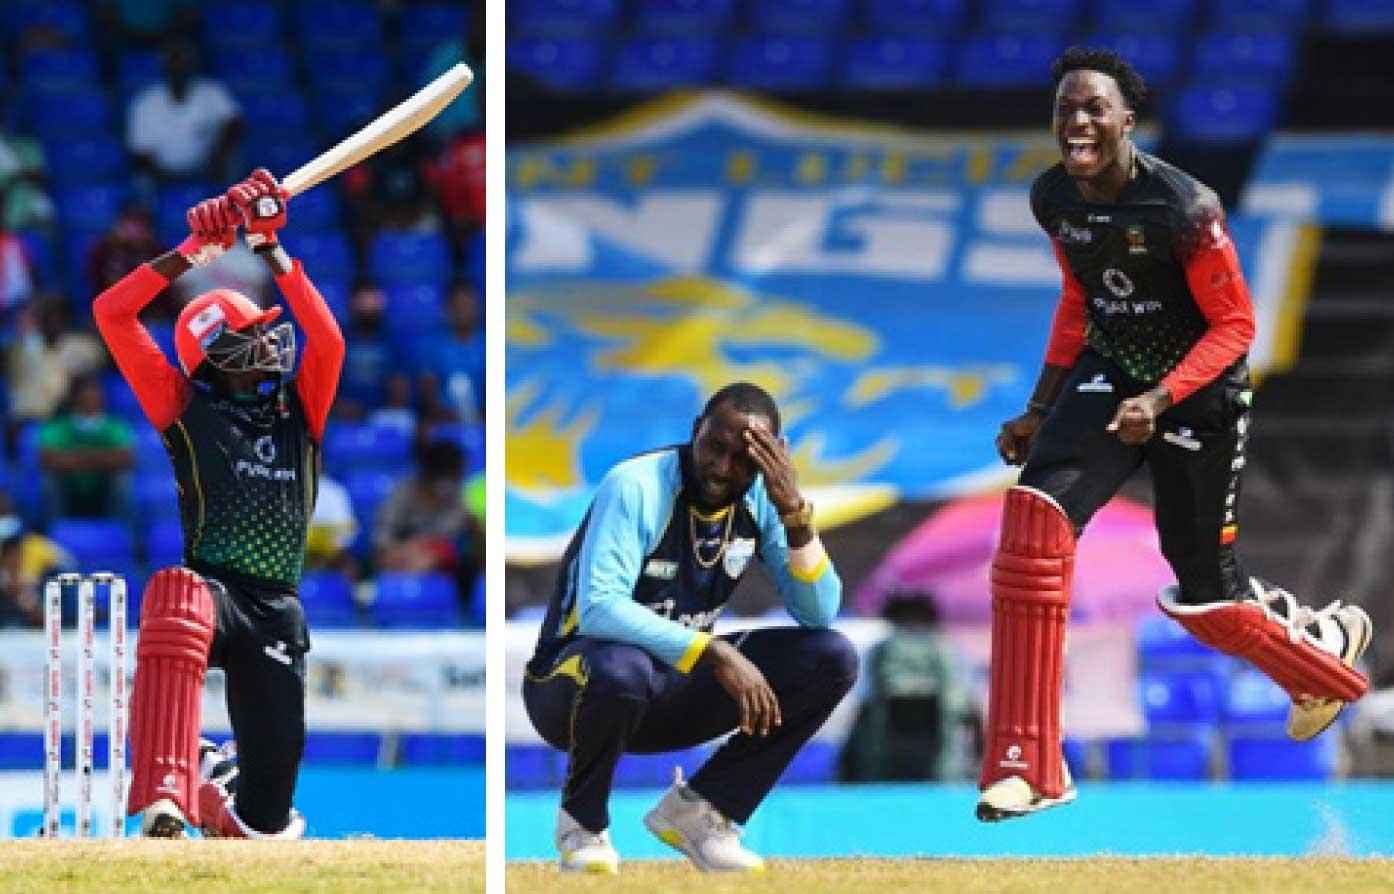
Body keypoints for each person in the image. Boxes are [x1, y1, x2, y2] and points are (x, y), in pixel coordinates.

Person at [978, 47, 1374, 823]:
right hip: (1111, 368)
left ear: (1127, 120)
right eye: (1065, 108)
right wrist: (1039, 405)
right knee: (1034, 520)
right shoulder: (1053, 198)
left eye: (1094, 108)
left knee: (1205, 597)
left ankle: (1322, 653)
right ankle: (1026, 765)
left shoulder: (1184, 208)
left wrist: (1159, 399)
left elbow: (1237, 327)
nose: (1077, 122)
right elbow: (1077, 298)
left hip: (1198, 394)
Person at [92, 168, 344, 839]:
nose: (272, 340)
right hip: (214, 593)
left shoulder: (301, 411)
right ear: (215, 357)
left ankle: (218, 791)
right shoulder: (183, 406)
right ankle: (166, 794)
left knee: (265, 826)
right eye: (255, 334)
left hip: (277, 609)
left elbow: (331, 342)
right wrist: (191, 257)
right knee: (176, 591)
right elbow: (112, 314)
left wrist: (271, 250)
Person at [523, 382, 858, 874]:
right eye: (713, 446)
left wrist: (795, 516)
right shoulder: (635, 485)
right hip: (569, 688)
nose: (722, 468)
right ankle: (582, 825)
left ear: (771, 459)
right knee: (622, 666)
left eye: (743, 459)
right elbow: (599, 609)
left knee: (831, 657)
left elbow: (818, 612)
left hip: (670, 691)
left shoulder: (763, 502)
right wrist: (714, 653)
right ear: (695, 430)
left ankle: (703, 813)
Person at [838, 592, 974, 783]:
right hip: (934, 760)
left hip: (894, 758)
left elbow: (867, 702)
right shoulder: (944, 649)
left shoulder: (884, 648)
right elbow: (961, 702)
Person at [125, 41, 242, 191]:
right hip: (162, 172)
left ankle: (229, 211)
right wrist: (165, 176)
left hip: (207, 166)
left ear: (191, 65)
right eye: (173, 63)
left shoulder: (211, 92)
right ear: (164, 67)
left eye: (182, 63)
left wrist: (219, 155)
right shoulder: (145, 102)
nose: (178, 68)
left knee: (235, 161)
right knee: (140, 181)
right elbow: (140, 153)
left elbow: (235, 125)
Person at [374, 438, 481, 595]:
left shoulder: (456, 498)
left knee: (439, 556)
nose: (455, 482)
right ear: (430, 474)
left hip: (440, 562)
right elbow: (381, 540)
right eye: (451, 476)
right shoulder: (400, 495)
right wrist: (409, 550)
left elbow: (449, 539)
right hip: (397, 557)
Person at [37, 373, 136, 525]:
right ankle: (54, 533)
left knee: (122, 482)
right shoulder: (59, 426)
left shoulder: (114, 426)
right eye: (86, 397)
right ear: (75, 399)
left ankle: (125, 537)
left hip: (103, 490)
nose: (90, 400)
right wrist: (100, 458)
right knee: (50, 483)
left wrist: (75, 458)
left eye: (95, 396)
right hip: (69, 489)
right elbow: (48, 459)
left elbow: (125, 457)